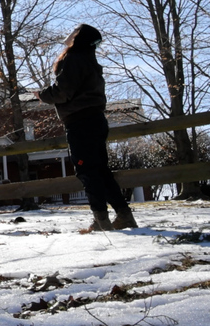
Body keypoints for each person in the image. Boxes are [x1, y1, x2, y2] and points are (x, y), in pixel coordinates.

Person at [37, 24, 138, 231]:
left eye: (73, 31)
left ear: (79, 38)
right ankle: (124, 215)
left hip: (80, 123)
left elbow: (63, 92)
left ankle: (101, 221)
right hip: (95, 121)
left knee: (87, 170)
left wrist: (42, 95)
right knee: (101, 170)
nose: (69, 34)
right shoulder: (89, 61)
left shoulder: (74, 59)